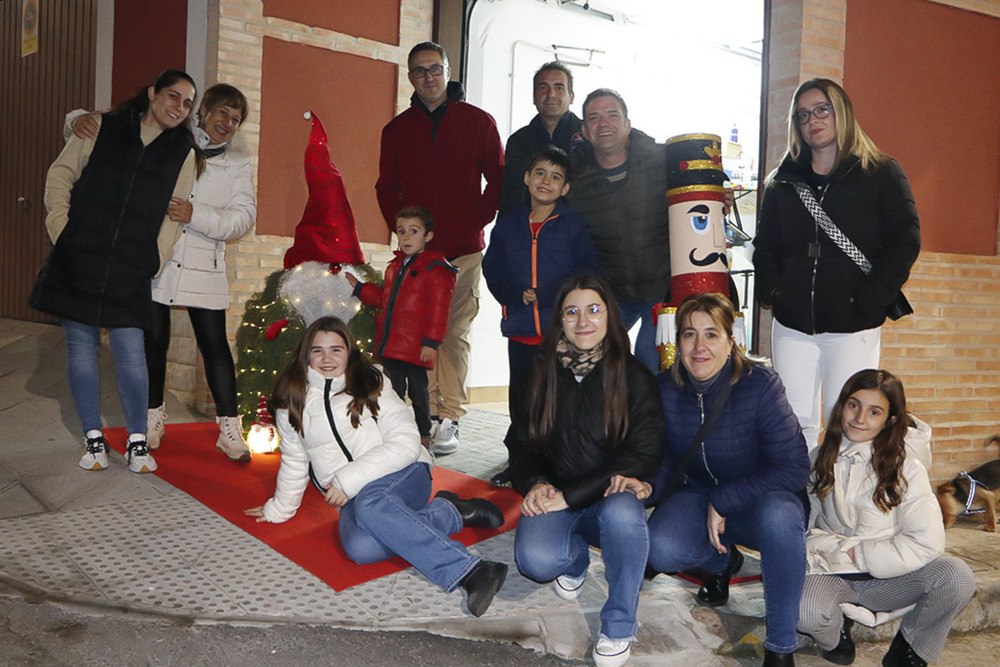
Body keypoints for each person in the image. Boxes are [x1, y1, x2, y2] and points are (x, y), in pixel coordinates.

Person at [245, 317, 509, 617]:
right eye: (318, 351)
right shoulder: (292, 401)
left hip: (403, 472)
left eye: (336, 349)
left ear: (350, 351)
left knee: (372, 504)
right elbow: (294, 460)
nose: (327, 358)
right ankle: (449, 512)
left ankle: (471, 571)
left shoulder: (372, 381)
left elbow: (407, 441)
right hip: (354, 493)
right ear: (306, 355)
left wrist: (347, 481)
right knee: (361, 549)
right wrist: (278, 509)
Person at [68, 83, 257, 461]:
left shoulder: (237, 162)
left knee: (216, 347)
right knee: (153, 344)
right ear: (204, 109)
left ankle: (229, 429)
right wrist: (78, 120)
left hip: (205, 264)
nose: (228, 123)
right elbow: (118, 121)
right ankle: (151, 420)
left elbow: (244, 218)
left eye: (236, 119)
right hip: (158, 260)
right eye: (223, 113)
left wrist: (195, 215)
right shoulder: (172, 135)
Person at [30, 69, 200, 474]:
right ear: (152, 93)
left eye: (188, 102)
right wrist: (61, 228)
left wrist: (155, 257)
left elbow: (174, 215)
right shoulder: (102, 127)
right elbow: (60, 174)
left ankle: (137, 440)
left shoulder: (184, 154)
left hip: (131, 262)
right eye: (173, 96)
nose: (179, 107)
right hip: (79, 253)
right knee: (80, 348)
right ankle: (93, 437)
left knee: (130, 352)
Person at [753, 78, 921, 450]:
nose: (812, 120)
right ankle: (800, 507)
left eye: (821, 109)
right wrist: (774, 291)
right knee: (793, 423)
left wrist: (871, 298)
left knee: (851, 424)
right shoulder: (783, 183)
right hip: (793, 323)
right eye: (802, 115)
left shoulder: (880, 172)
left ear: (841, 113)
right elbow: (765, 246)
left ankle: (842, 507)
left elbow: (905, 240)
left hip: (853, 323)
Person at [507, 274, 665, 667]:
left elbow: (645, 452)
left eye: (593, 310)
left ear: (609, 315)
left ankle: (619, 625)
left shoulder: (633, 375)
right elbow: (520, 442)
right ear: (559, 320)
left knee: (625, 515)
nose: (583, 321)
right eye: (572, 311)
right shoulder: (539, 372)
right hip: (557, 494)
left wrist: (571, 496)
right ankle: (575, 558)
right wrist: (536, 483)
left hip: (607, 498)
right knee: (536, 562)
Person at [646, 292, 810, 667]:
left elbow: (794, 467)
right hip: (700, 494)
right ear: (679, 341)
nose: (699, 346)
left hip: (763, 500)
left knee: (781, 516)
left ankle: (781, 646)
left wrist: (726, 500)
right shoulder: (665, 388)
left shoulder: (761, 385)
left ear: (731, 341)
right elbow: (666, 461)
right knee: (660, 545)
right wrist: (646, 487)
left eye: (711, 334)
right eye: (689, 334)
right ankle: (722, 563)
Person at [376, 41, 505, 454]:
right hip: (417, 257)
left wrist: (475, 221)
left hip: (462, 251)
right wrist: (403, 232)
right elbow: (385, 187)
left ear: (448, 71)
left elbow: (499, 179)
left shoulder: (478, 121)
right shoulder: (396, 130)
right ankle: (423, 414)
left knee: (452, 334)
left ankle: (450, 415)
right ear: (410, 77)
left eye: (435, 69)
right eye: (419, 71)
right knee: (415, 333)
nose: (428, 77)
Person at [797, 369, 975, 667]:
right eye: (853, 405)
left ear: (890, 419)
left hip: (893, 577)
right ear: (842, 405)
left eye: (874, 411)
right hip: (834, 570)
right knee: (804, 612)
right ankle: (836, 634)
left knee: (957, 576)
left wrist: (861, 554)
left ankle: (910, 648)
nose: (859, 418)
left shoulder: (907, 467)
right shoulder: (820, 457)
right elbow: (806, 523)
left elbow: (927, 542)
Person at [483, 146, 600, 484]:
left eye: (556, 177)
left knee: (559, 402)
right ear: (526, 178)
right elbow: (494, 270)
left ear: (565, 188)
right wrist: (513, 294)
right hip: (520, 329)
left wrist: (555, 296)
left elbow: (587, 270)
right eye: (540, 173)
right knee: (521, 403)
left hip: (558, 333)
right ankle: (519, 465)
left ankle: (559, 465)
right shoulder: (507, 225)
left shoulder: (573, 225)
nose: (546, 181)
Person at [566, 89, 670, 373]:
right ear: (585, 131)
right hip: (610, 292)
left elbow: (698, 199)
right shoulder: (574, 178)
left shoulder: (662, 162)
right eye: (594, 118)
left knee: (652, 365)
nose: (604, 124)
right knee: (586, 361)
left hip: (661, 288)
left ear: (627, 124)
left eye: (612, 115)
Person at [346, 205, 458, 452]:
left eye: (414, 231)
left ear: (427, 236)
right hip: (393, 345)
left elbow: (440, 310)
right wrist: (359, 288)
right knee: (393, 394)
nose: (406, 237)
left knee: (419, 395)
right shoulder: (394, 267)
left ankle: (423, 437)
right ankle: (394, 436)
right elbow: (383, 299)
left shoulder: (435, 268)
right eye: (401, 231)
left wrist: (430, 343)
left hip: (417, 348)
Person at [499, 61, 582, 213]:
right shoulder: (518, 141)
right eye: (543, 87)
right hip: (527, 231)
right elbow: (509, 197)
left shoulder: (588, 138)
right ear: (534, 96)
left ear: (571, 97)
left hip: (579, 232)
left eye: (559, 87)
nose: (551, 94)